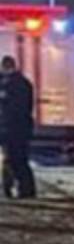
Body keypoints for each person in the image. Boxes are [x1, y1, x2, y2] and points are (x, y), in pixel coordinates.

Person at [0, 56, 37, 199]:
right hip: (16, 128)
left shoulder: (16, 84)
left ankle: (24, 190)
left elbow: (17, 108)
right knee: (14, 159)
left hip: (15, 128)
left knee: (16, 159)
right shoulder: (21, 83)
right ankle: (14, 188)